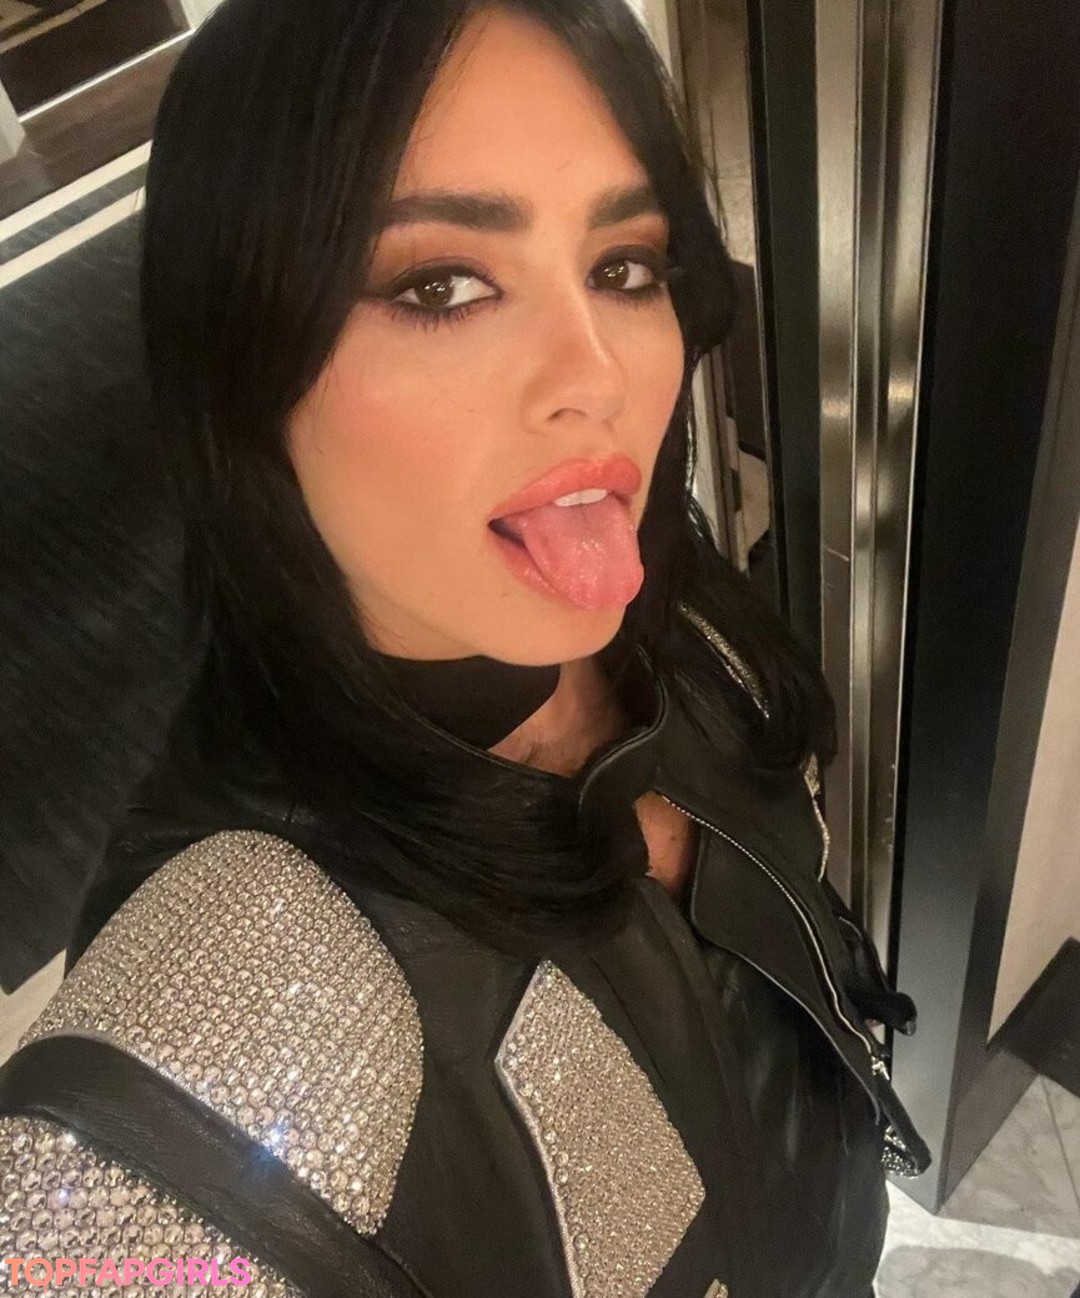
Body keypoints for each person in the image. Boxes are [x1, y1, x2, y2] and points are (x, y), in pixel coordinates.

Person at [0, 1, 930, 1294]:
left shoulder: (682, 618)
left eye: (625, 267)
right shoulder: (245, 994)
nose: (597, 374)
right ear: (242, 355)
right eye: (441, 285)